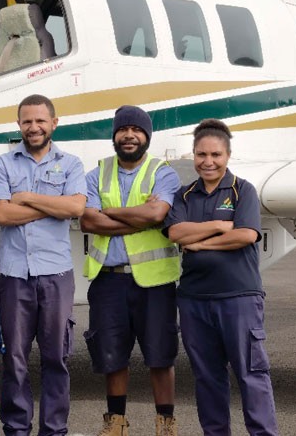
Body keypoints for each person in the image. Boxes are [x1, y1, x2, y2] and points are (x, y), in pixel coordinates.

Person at [165, 118, 278, 436]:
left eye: (216, 155)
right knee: (207, 377)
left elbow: (245, 235)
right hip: (195, 301)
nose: (208, 161)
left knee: (251, 374)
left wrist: (200, 243)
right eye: (201, 154)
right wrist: (217, 226)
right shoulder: (184, 195)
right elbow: (175, 232)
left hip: (238, 298)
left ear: (227, 155)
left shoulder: (243, 190)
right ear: (193, 155)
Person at [80, 105, 182, 436]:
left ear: (147, 137)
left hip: (155, 282)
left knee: (161, 357)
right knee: (112, 356)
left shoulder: (163, 172)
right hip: (108, 280)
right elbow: (88, 220)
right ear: (114, 136)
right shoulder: (96, 173)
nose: (129, 135)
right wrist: (137, 217)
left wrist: (110, 211)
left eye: (136, 130)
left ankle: (165, 424)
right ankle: (116, 424)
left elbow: (156, 214)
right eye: (123, 130)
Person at [0, 94, 86, 436]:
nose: (34, 127)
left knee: (55, 357)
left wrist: (28, 198)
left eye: (40, 121)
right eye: (27, 121)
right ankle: (17, 428)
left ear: (54, 123)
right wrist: (53, 206)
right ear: (19, 125)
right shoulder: (2, 164)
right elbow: (1, 214)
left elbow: (75, 208)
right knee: (14, 358)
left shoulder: (71, 163)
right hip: (14, 275)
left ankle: (54, 429)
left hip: (55, 275)